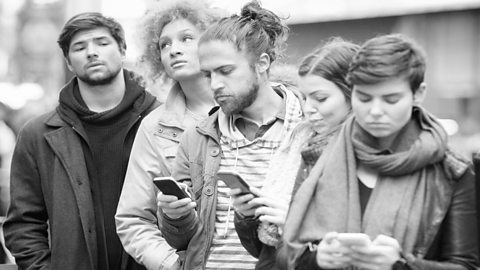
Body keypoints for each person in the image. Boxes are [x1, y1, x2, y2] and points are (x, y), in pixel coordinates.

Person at [283, 33, 479, 270]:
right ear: (351, 93)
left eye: (391, 99)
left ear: (418, 94)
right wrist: (317, 258)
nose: (375, 111)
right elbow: (285, 254)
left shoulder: (451, 170)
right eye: (364, 98)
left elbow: (466, 265)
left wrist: (402, 265)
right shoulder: (319, 155)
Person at [2, 12, 159, 270]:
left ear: (122, 50)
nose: (92, 52)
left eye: (102, 43)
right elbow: (23, 223)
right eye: (80, 47)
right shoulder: (38, 134)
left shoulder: (162, 122)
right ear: (69, 62)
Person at [156, 1, 304, 269]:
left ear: (261, 63)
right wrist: (174, 216)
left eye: (225, 71)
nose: (215, 85)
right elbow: (181, 240)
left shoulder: (307, 128)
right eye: (208, 74)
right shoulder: (197, 137)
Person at [233, 38, 359, 269]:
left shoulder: (362, 155)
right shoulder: (297, 141)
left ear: (354, 95)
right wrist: (248, 216)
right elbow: (262, 248)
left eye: (320, 98)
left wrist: (295, 223)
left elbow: (357, 243)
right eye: (304, 97)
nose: (309, 108)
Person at [114, 1, 222, 269]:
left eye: (186, 39)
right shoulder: (153, 127)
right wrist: (174, 264)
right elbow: (133, 219)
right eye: (164, 44)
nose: (174, 50)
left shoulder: (249, 105)